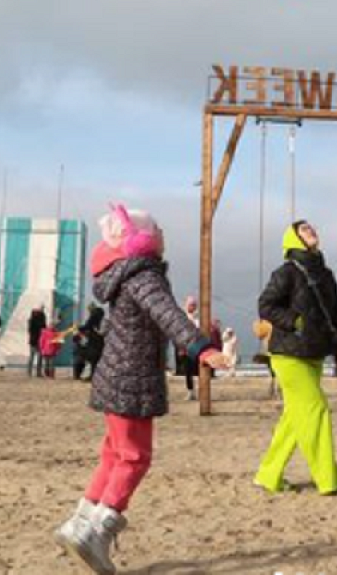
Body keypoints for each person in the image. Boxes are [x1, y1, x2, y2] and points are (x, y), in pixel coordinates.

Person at [54, 204, 228, 574]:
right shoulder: (145, 276)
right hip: (132, 379)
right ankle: (97, 533)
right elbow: (168, 315)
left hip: (114, 375)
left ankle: (80, 522)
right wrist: (203, 348)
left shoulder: (122, 275)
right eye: (158, 228)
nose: (164, 233)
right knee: (134, 457)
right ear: (144, 239)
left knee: (113, 455)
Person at [253, 220, 337, 498]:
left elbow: (335, 314)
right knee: (316, 409)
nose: (311, 230)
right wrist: (295, 321)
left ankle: (268, 474)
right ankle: (330, 479)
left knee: (295, 417)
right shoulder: (287, 271)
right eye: (304, 229)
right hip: (288, 354)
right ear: (293, 239)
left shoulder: (326, 273)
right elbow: (265, 304)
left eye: (313, 227)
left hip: (314, 353)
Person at [174, 296, 202, 401]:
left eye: (194, 305)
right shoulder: (182, 316)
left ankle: (201, 391)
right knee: (188, 371)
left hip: (197, 345)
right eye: (191, 304)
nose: (192, 307)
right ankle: (191, 391)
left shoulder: (199, 317)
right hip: (186, 346)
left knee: (200, 369)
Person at [73, 305, 108, 381]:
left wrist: (79, 330)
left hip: (93, 345)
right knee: (92, 361)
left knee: (90, 361)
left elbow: (87, 328)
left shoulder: (97, 321)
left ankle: (89, 376)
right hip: (94, 345)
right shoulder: (97, 321)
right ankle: (86, 376)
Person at [27, 305, 47, 377]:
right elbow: (44, 327)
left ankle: (30, 372)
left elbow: (30, 330)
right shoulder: (40, 320)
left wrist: (41, 311)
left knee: (33, 357)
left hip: (33, 340)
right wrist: (42, 312)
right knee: (38, 357)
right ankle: (37, 372)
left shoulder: (31, 320)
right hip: (38, 340)